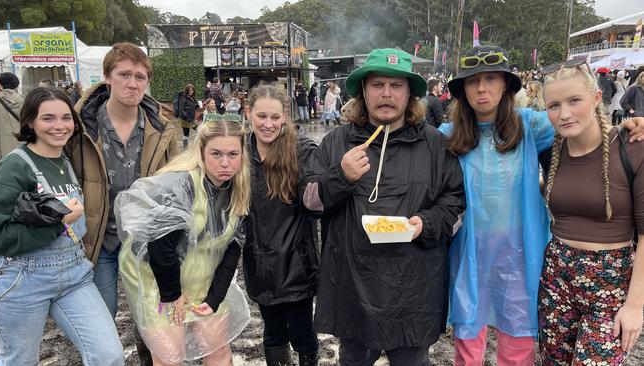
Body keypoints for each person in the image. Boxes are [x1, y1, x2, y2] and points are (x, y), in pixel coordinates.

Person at [440, 46, 644, 366]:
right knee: (467, 341)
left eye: (491, 79)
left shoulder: (530, 125)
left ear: (505, 84)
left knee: (518, 343)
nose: (482, 88)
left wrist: (626, 128)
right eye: (473, 81)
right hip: (470, 255)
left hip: (521, 255)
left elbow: (581, 127)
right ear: (462, 89)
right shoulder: (448, 135)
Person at [306, 48, 465, 366]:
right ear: (363, 91)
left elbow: (456, 205)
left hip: (414, 288)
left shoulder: (436, 145)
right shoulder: (338, 141)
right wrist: (341, 177)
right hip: (353, 285)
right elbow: (311, 203)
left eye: (396, 85)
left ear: (410, 94)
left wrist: (427, 223)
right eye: (378, 84)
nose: (387, 94)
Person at [0, 87, 124, 365]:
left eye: (66, 118)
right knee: (19, 360)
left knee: (109, 355)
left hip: (74, 274)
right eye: (48, 118)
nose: (59, 126)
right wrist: (59, 222)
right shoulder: (15, 167)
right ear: (30, 122)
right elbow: (0, 236)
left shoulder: (65, 160)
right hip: (23, 277)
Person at [116, 119, 252, 366]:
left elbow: (232, 250)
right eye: (216, 154)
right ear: (201, 152)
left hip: (203, 279)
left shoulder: (238, 191)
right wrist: (173, 296)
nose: (225, 163)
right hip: (159, 283)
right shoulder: (178, 187)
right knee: (170, 357)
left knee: (218, 352)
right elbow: (160, 247)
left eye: (233, 154)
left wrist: (214, 299)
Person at [539, 59, 644, 365]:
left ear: (597, 98)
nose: (565, 113)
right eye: (554, 105)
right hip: (557, 276)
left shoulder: (632, 146)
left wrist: (635, 305)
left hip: (612, 281)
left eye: (574, 101)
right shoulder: (552, 152)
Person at [68, 42, 180, 319]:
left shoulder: (164, 130)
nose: (132, 83)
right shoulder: (80, 127)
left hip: (147, 240)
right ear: (107, 77)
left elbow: (177, 182)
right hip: (100, 239)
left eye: (140, 77)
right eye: (124, 74)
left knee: (152, 322)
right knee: (102, 317)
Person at [242, 83, 319, 366]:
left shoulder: (301, 149)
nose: (268, 124)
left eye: (275, 117)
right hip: (258, 262)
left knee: (302, 333)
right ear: (249, 112)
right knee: (273, 332)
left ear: (285, 115)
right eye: (262, 116)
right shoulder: (240, 151)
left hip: (296, 263)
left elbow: (319, 195)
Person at [0, 72, 23, 158]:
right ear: (16, 84)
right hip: (22, 142)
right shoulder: (23, 100)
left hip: (2, 144)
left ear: (0, 83)